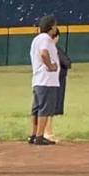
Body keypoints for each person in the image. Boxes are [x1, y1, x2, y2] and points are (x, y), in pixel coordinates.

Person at [28, 14, 60, 145]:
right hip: (46, 79)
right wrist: (51, 66)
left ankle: (34, 134)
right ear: (51, 26)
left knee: (36, 108)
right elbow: (44, 53)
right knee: (44, 108)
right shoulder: (45, 38)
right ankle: (40, 136)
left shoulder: (38, 39)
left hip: (39, 80)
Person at [42, 22, 71, 142]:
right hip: (52, 81)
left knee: (43, 108)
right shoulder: (53, 49)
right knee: (49, 109)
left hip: (44, 81)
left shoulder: (40, 45)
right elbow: (67, 63)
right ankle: (47, 133)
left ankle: (41, 133)